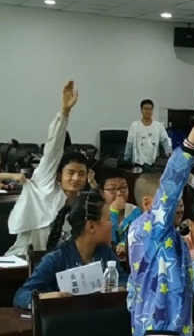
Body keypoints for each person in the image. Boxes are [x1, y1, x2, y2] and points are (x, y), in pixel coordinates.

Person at [127, 92, 194, 336]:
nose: (179, 208)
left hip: (162, 326)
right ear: (149, 203)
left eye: (180, 203)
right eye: (174, 203)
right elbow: (172, 181)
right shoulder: (152, 226)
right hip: (160, 329)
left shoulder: (160, 233)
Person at [6, 81, 88, 256]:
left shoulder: (82, 204)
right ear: (58, 175)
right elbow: (53, 150)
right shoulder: (45, 186)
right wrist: (64, 113)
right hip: (24, 259)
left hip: (60, 265)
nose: (76, 178)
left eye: (81, 174)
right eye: (71, 173)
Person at [13, 191, 127, 309]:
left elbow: (125, 281)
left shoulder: (105, 253)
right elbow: (21, 295)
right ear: (91, 226)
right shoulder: (57, 258)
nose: (113, 224)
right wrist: (46, 297)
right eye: (109, 219)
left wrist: (119, 289)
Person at [98, 169, 136, 256]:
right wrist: (114, 212)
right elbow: (111, 241)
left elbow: (136, 237)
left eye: (123, 188)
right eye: (112, 189)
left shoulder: (135, 212)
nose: (119, 193)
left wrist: (125, 244)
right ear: (102, 193)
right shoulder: (98, 214)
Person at [124, 99, 173, 167]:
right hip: (138, 163)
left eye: (150, 109)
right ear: (141, 110)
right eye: (145, 109)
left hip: (154, 163)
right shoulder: (134, 126)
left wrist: (169, 152)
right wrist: (126, 161)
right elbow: (129, 144)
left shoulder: (159, 126)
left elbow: (165, 141)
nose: (148, 111)